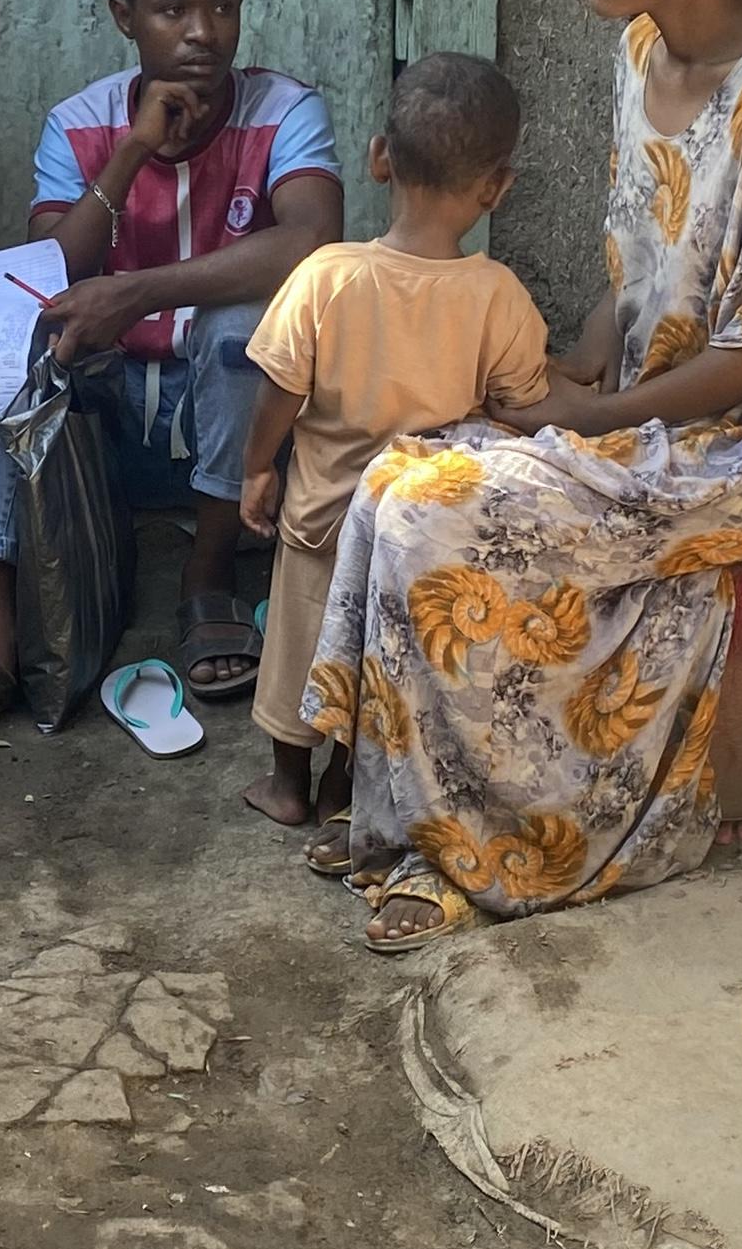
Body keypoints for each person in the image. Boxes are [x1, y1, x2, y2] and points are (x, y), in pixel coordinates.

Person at [305, 0, 742, 951]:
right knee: (396, 472)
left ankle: (486, 851)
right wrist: (566, 374)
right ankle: (404, 817)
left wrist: (597, 417)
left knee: (436, 513)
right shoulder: (642, 49)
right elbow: (638, 260)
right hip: (647, 410)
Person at [0, 0, 344, 751]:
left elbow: (312, 239)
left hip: (235, 433)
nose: (203, 32)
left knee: (242, 328)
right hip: (104, 434)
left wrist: (138, 291)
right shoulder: (79, 123)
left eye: (223, 5)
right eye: (173, 9)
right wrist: (134, 146)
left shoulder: (283, 109)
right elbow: (54, 270)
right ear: (124, 15)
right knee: (4, 350)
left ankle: (206, 577)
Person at [236, 52, 552, 832]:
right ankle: (344, 785)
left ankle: (286, 783)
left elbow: (279, 387)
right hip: (415, 534)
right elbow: (520, 404)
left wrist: (255, 468)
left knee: (299, 641)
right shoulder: (498, 296)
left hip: (323, 515)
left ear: (379, 156)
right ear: (496, 187)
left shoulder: (327, 276)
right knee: (377, 653)